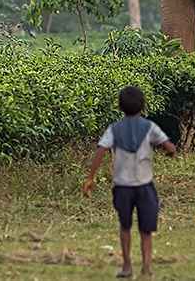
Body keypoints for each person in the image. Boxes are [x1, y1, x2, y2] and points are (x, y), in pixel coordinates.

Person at [82, 86, 177, 279]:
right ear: (143, 106)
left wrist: (91, 177)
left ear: (120, 107)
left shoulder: (114, 129)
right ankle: (147, 266)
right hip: (144, 185)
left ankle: (126, 266)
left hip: (122, 186)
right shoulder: (149, 127)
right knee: (146, 229)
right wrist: (169, 152)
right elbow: (170, 147)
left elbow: (100, 151)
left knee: (124, 226)